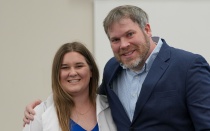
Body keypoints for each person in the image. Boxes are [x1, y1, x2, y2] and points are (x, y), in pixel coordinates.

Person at [23, 5, 210, 131]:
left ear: (147, 29)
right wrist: (41, 107)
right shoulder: (113, 68)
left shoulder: (189, 66)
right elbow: (86, 98)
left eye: (130, 34)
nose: (124, 44)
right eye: (115, 39)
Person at [22, 42, 116, 131]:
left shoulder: (112, 108)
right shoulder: (39, 114)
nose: (72, 73)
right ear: (57, 74)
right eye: (65, 67)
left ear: (91, 71)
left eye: (79, 66)